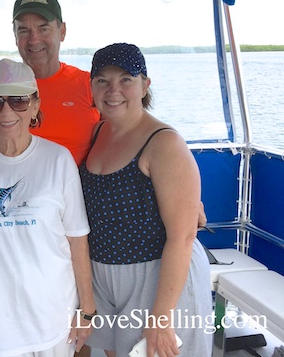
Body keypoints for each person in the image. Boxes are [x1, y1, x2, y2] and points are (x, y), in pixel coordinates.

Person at [0, 58, 96, 356]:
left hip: (54, 321)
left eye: (19, 100)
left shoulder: (58, 160)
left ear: (35, 105)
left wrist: (87, 309)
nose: (7, 111)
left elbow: (78, 241)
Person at [79, 43, 212, 356]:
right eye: (102, 80)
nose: (114, 90)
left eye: (126, 79)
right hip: (106, 276)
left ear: (144, 85)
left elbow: (183, 236)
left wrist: (161, 318)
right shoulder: (99, 132)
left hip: (157, 278)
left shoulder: (164, 143)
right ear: (92, 87)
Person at [12, 0, 100, 166]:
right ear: (15, 35)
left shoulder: (91, 86)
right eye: (24, 30)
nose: (33, 39)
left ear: (62, 32)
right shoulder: (1, 88)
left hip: (77, 190)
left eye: (43, 28)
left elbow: (128, 132)